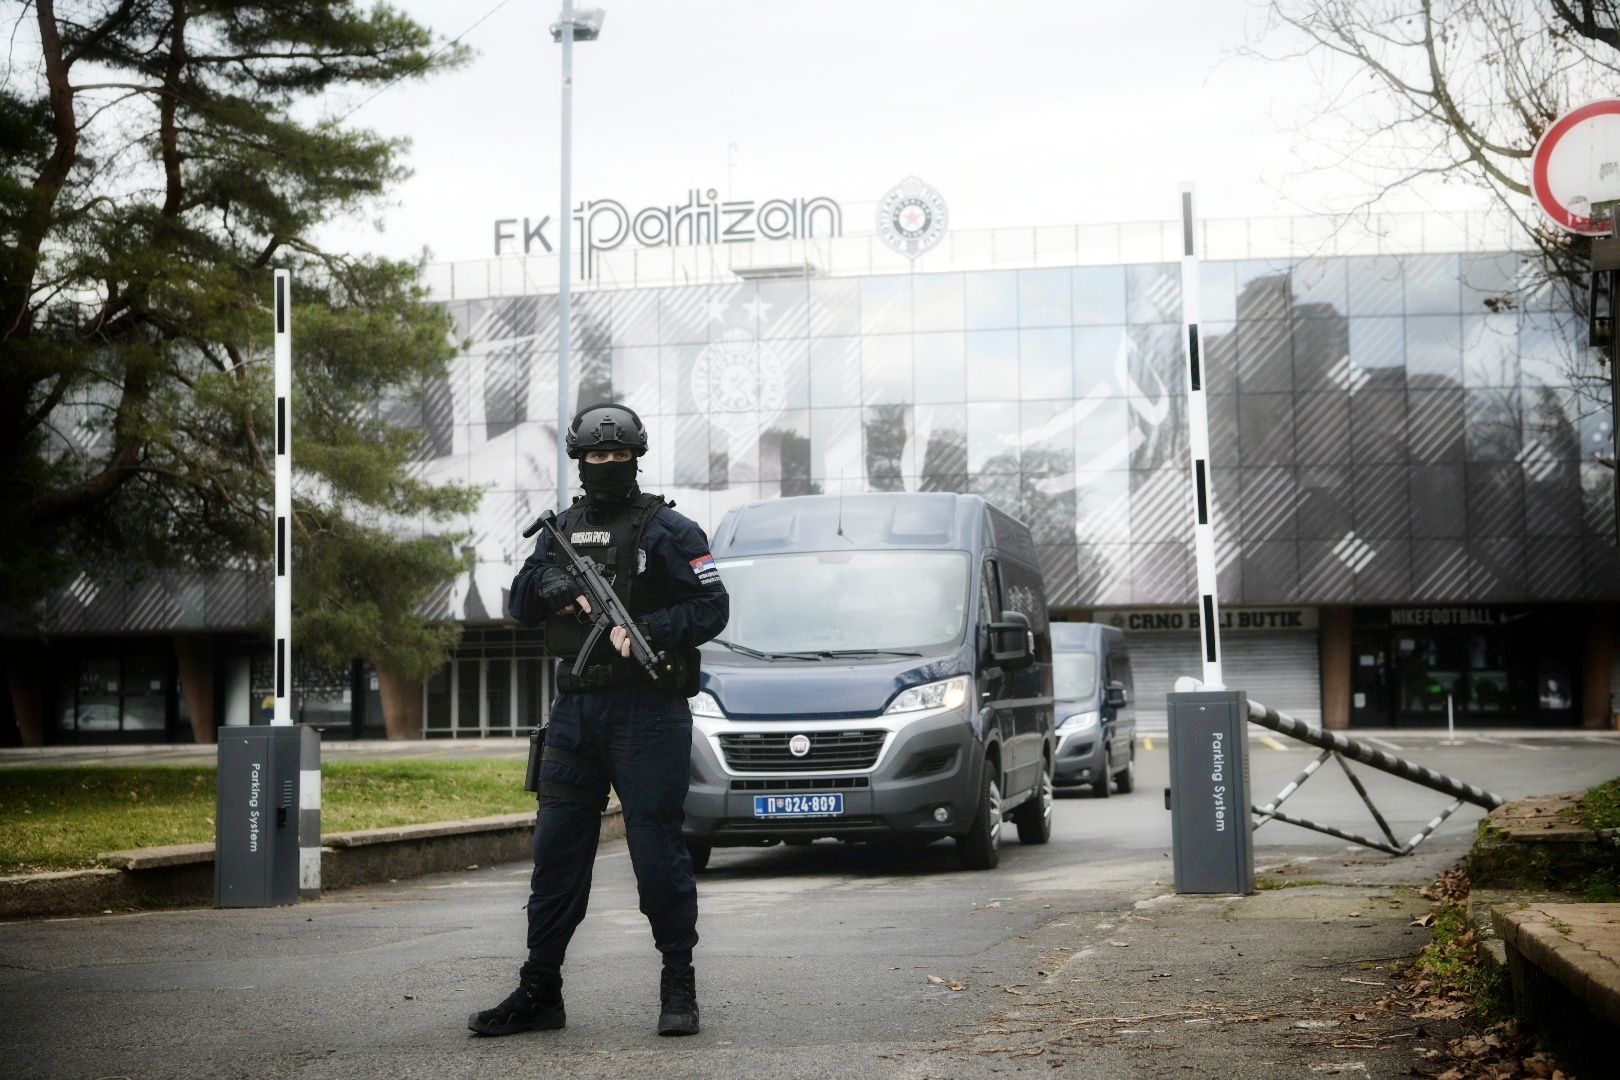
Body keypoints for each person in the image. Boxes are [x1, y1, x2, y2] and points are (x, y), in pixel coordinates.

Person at [469, 402, 729, 1039]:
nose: (607, 464)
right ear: (579, 461)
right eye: (596, 456)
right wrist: (556, 583)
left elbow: (714, 606)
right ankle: (541, 990)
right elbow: (520, 601)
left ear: (635, 457)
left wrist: (650, 629)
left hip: (649, 713)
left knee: (656, 849)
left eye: (618, 456)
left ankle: (678, 982)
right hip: (576, 713)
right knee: (555, 854)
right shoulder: (559, 530)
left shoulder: (672, 530)